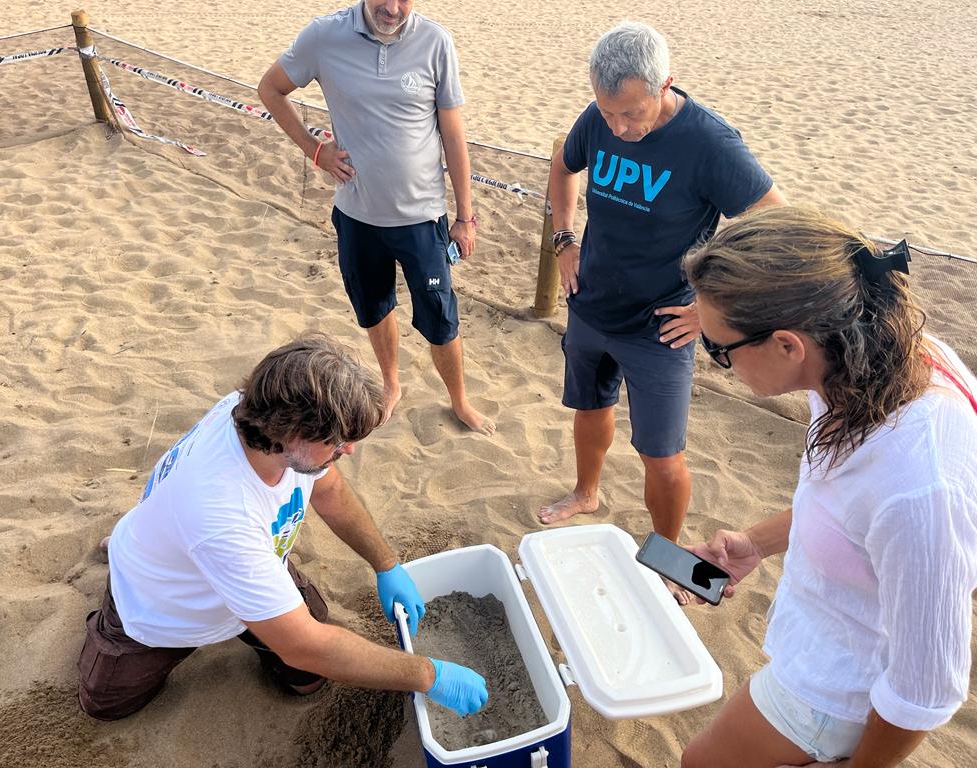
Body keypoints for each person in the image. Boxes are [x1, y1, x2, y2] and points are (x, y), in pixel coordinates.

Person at [679, 207, 977, 767]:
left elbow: (927, 688)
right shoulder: (867, 357)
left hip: (840, 690)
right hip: (824, 640)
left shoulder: (920, 486)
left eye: (719, 351)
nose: (715, 362)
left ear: (788, 345)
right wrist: (755, 544)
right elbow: (847, 505)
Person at [77, 335, 488, 720]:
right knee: (106, 704)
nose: (349, 448)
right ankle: (127, 560)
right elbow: (304, 645)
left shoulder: (257, 414)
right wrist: (429, 676)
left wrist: (386, 565)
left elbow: (329, 492)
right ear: (293, 434)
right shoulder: (223, 517)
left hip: (252, 553)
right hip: (162, 606)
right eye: (338, 440)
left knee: (308, 683)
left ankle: (163, 542)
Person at [538, 21, 786, 585]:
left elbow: (775, 227)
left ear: (665, 85)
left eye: (631, 113)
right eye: (608, 113)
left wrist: (711, 310)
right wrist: (564, 240)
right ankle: (586, 493)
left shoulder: (710, 144)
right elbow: (562, 168)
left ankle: (666, 555)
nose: (618, 128)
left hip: (662, 326)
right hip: (591, 301)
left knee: (662, 455)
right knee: (589, 409)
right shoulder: (597, 117)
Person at [257, 0, 494, 435]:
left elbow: (454, 135)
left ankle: (459, 400)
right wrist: (315, 149)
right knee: (374, 306)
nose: (392, 7)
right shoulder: (324, 36)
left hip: (422, 217)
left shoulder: (435, 41)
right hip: (357, 215)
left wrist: (466, 217)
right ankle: (391, 385)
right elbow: (270, 89)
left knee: (440, 319)